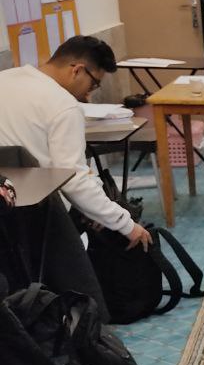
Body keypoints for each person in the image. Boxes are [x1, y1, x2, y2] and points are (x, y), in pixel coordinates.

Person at [0, 36, 150, 250]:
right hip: (37, 216)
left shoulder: (6, 78)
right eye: (94, 83)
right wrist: (126, 225)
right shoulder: (63, 105)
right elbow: (73, 179)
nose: (89, 94)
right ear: (77, 70)